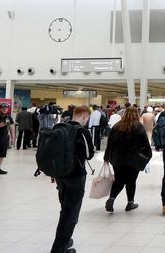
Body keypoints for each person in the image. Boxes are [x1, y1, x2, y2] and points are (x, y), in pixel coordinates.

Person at [51, 105, 94, 253]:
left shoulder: (59, 127)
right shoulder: (82, 131)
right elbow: (89, 154)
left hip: (60, 175)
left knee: (65, 209)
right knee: (71, 214)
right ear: (84, 116)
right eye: (87, 118)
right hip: (76, 176)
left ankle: (65, 240)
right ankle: (59, 249)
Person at [104, 106, 151, 213]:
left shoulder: (117, 126)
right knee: (131, 181)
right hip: (133, 159)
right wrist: (147, 156)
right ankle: (130, 203)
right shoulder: (138, 127)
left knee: (119, 180)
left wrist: (107, 156)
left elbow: (109, 143)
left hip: (117, 159)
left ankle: (111, 199)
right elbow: (145, 144)